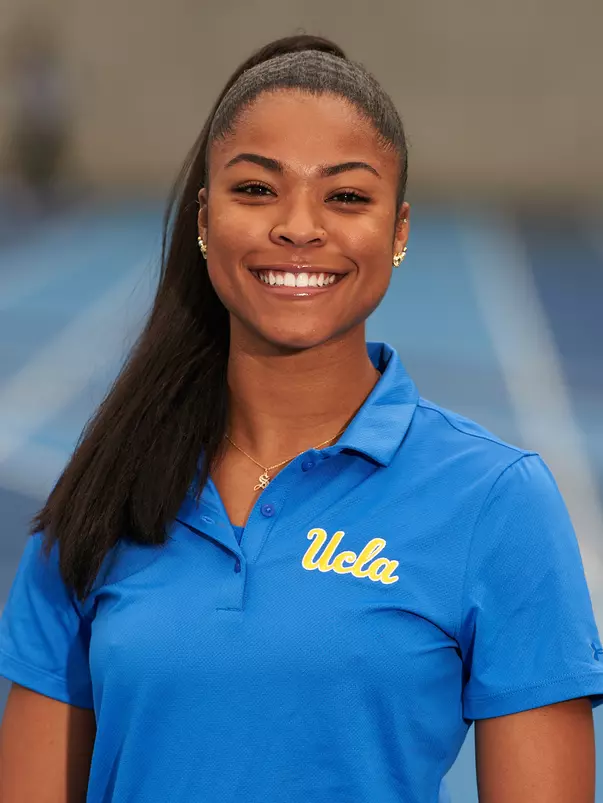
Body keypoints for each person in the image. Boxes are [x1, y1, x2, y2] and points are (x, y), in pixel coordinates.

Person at [0, 33, 602, 803]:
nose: (297, 225)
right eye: (256, 189)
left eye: (345, 197)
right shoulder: (103, 490)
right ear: (204, 218)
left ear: (398, 231)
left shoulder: (496, 501)